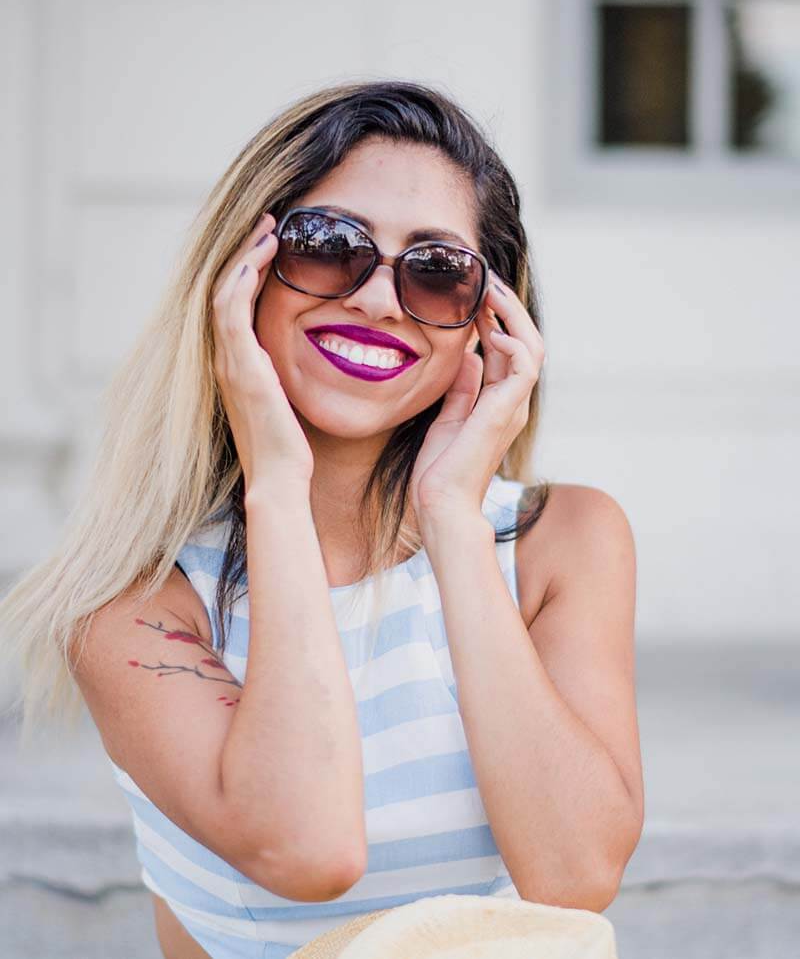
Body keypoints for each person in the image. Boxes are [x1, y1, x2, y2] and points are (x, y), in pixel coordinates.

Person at [0, 79, 643, 959]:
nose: (380, 300)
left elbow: (573, 876)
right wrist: (275, 488)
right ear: (241, 276)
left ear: (487, 326)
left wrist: (452, 515)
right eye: (330, 247)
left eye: (438, 270)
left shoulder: (562, 543)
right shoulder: (132, 605)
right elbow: (308, 848)